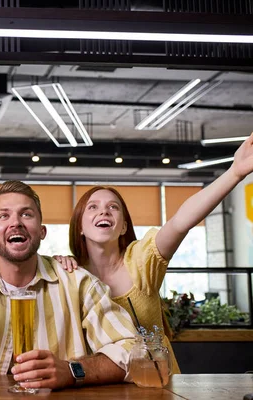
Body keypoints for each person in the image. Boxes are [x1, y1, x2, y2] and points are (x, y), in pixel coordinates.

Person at [58, 132, 253, 375]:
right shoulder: (69, 274)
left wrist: (235, 172)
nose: (104, 212)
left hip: (158, 384)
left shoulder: (141, 260)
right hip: (100, 386)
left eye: (113, 207)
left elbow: (180, 222)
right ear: (80, 226)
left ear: (124, 226)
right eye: (93, 207)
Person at [0, 181, 136, 390]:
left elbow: (134, 353)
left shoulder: (79, 283)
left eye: (26, 214)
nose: (16, 222)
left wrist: (72, 371)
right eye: (4, 215)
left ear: (41, 232)